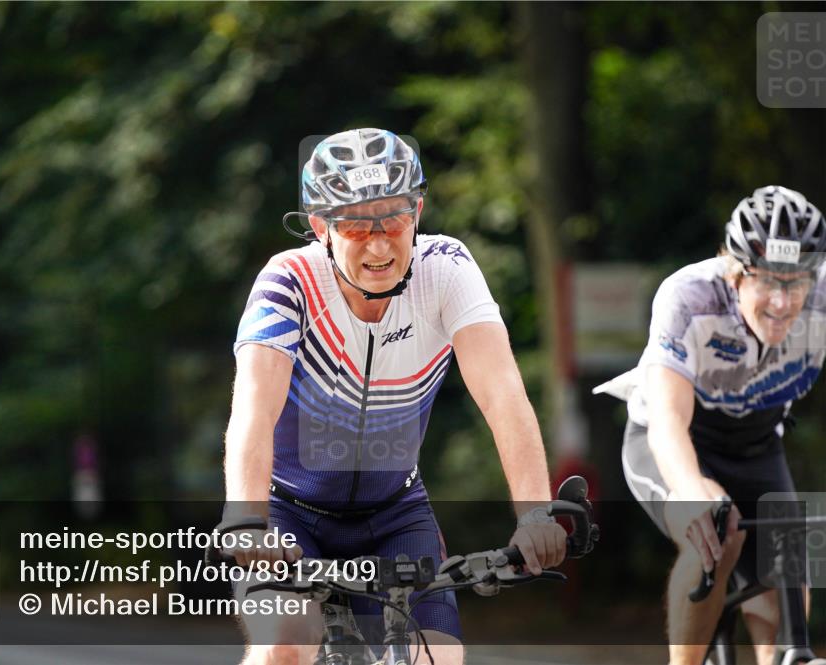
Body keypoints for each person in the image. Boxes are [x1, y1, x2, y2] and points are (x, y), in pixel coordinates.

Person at [223, 128, 567, 665]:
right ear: (321, 227)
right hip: (289, 515)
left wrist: (535, 515)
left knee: (438, 659)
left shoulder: (446, 269)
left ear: (418, 211)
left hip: (396, 514)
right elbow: (254, 411)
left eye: (394, 219)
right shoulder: (288, 281)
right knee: (285, 643)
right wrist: (246, 520)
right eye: (357, 225)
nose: (380, 244)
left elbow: (503, 396)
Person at [594, 186, 826, 665]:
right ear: (736, 273)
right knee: (716, 537)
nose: (782, 302)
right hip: (674, 438)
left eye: (796, 284)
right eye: (768, 281)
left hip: (757, 442)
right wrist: (690, 490)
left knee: (790, 573)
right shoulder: (690, 297)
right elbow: (668, 420)